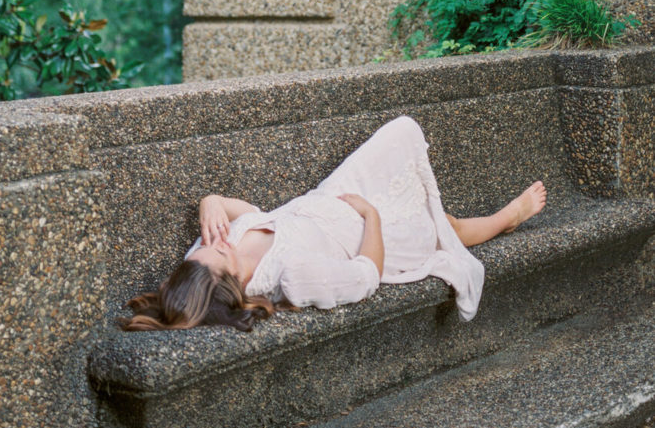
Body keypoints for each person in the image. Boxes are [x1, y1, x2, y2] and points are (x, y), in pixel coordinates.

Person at [118, 116, 546, 333]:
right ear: (230, 284)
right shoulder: (294, 277)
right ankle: (506, 218)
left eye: (212, 243)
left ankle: (463, 220)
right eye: (220, 250)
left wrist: (211, 202)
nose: (221, 240)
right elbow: (365, 278)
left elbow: (259, 214)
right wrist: (371, 215)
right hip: (367, 234)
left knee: (402, 130)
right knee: (440, 226)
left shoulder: (205, 260)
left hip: (329, 196)